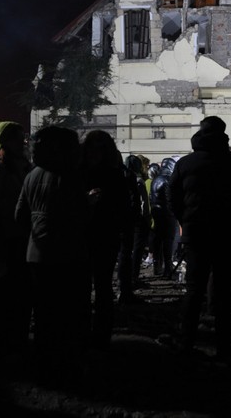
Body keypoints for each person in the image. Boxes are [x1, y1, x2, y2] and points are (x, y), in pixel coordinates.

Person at [168, 116, 231, 358]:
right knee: (224, 289)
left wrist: (186, 220)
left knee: (194, 289)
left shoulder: (185, 164)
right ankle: (223, 345)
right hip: (227, 233)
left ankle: (186, 343)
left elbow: (172, 197)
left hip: (196, 234)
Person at [15, 125, 90, 381]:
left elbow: (20, 216)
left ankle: (42, 361)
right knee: (68, 312)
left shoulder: (31, 175)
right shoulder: (71, 177)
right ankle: (64, 365)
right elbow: (80, 217)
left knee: (44, 312)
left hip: (36, 254)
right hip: (67, 255)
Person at [80, 130, 134, 351]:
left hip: (102, 234)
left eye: (99, 148)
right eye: (92, 147)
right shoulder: (84, 172)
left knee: (100, 286)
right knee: (88, 286)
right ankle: (90, 333)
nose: (95, 152)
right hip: (89, 234)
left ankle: (99, 335)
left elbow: (123, 205)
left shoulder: (110, 174)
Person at [0, 121, 34, 363]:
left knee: (22, 290)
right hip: (6, 237)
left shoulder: (24, 166)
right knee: (3, 289)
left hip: (23, 235)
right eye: (17, 138)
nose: (22, 142)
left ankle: (18, 337)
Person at [119, 154, 152, 302]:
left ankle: (128, 280)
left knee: (125, 251)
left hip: (123, 217)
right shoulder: (137, 181)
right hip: (136, 219)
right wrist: (146, 217)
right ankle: (133, 277)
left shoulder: (121, 177)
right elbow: (143, 202)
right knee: (136, 249)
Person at [149, 157, 178, 278]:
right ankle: (168, 268)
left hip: (156, 212)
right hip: (167, 214)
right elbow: (171, 199)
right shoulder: (168, 179)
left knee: (158, 240)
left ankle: (157, 266)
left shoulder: (156, 179)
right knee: (168, 241)